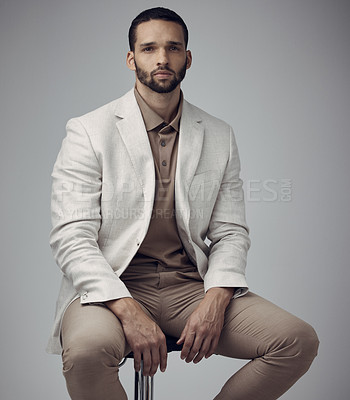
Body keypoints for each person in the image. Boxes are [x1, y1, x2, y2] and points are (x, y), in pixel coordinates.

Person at [47, 7, 319, 400]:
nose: (162, 59)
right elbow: (72, 236)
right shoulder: (89, 131)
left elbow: (230, 231)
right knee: (87, 352)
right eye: (149, 48)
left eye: (173, 48)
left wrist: (216, 296)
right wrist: (126, 308)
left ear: (187, 58)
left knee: (296, 341)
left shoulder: (219, 134)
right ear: (131, 59)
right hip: (110, 285)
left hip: (189, 286)